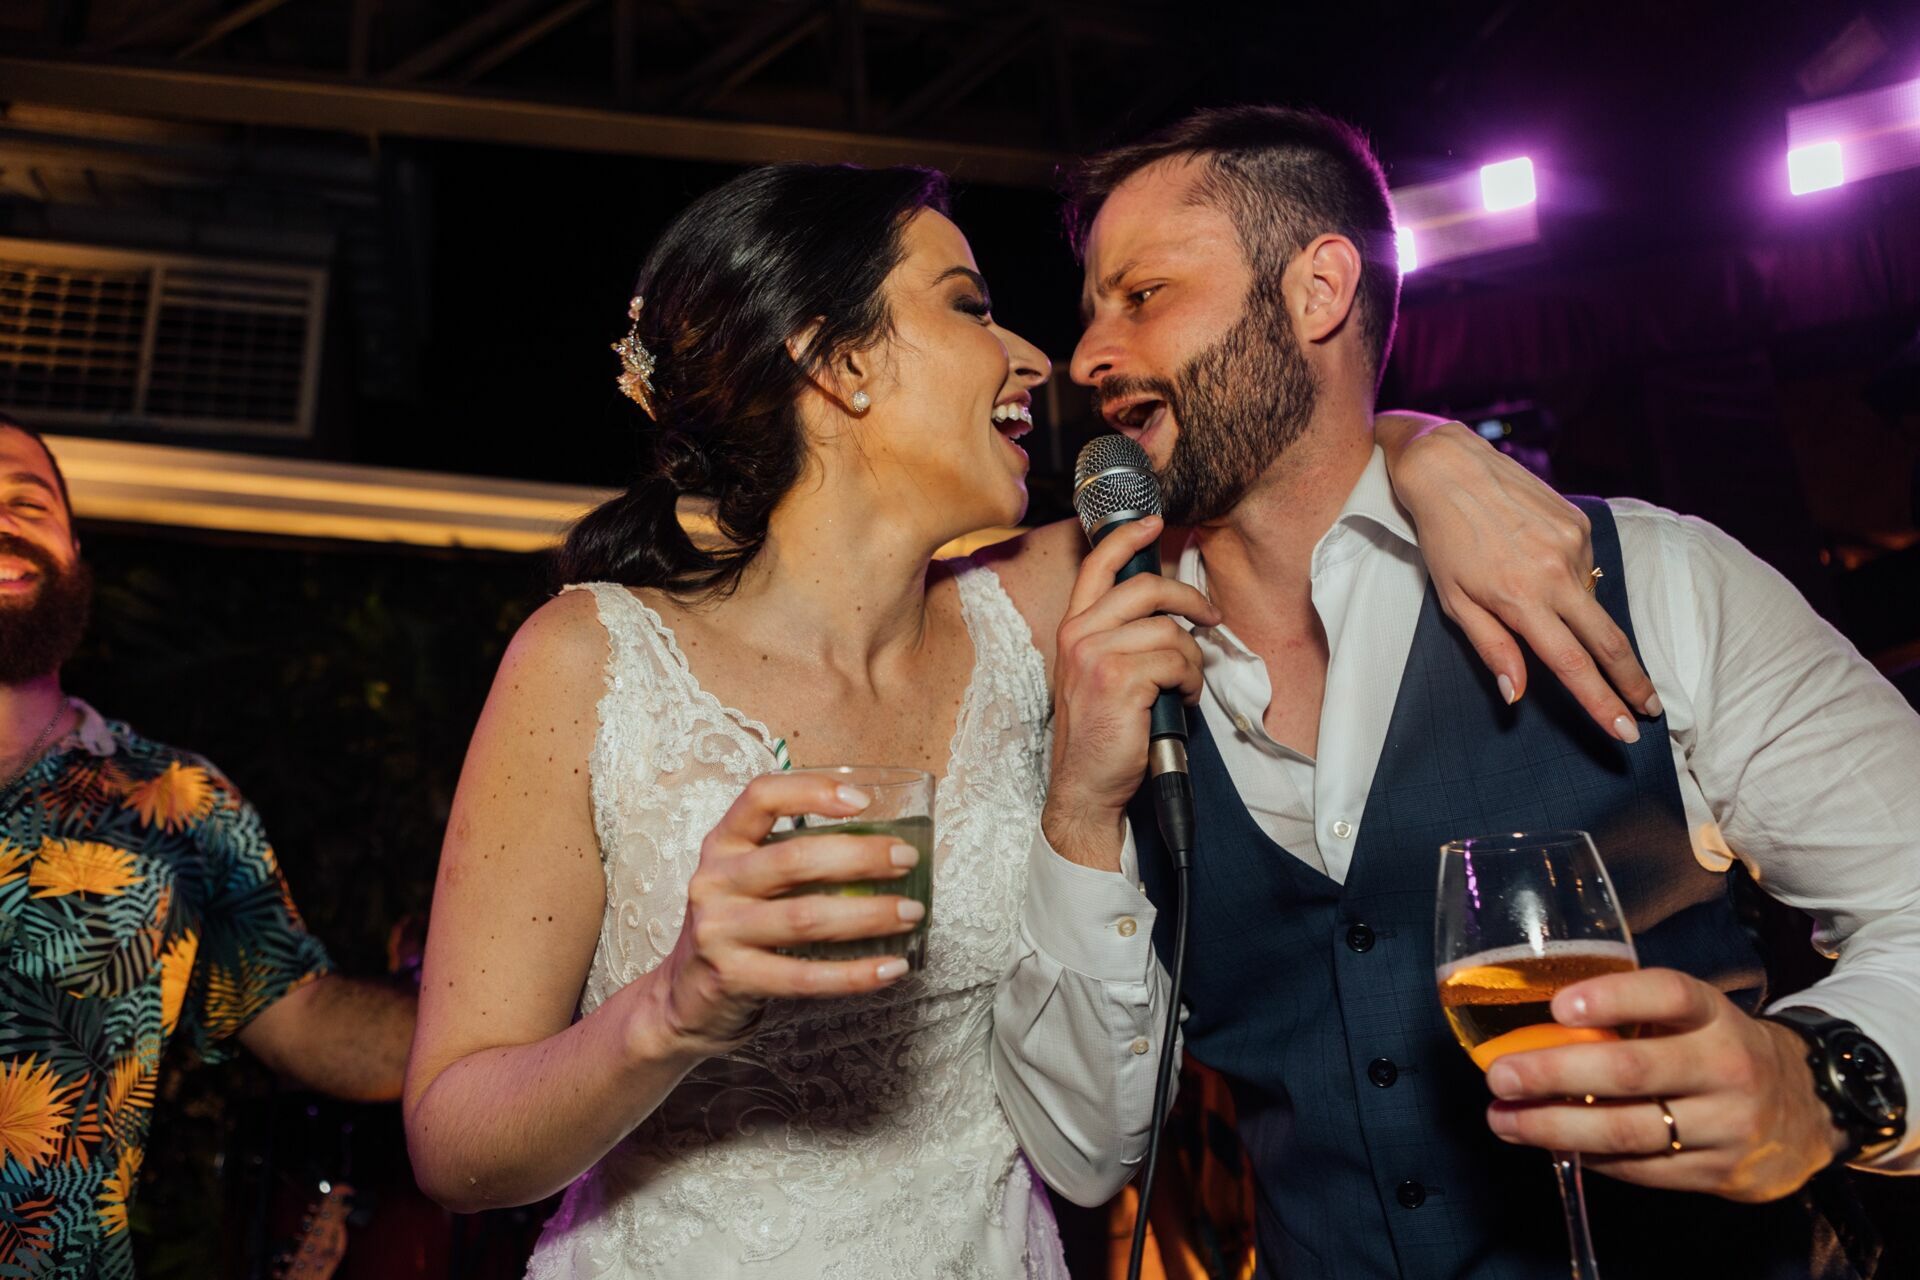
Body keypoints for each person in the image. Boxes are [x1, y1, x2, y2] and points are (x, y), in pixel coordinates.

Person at [400, 162, 1655, 1279]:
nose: (1037, 358)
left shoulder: (1048, 601)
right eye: (967, 305)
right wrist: (669, 1008)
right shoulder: (589, 660)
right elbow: (454, 1143)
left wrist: (1429, 449)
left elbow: (1277, 452)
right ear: (837, 363)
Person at [992, 105, 1919, 1279]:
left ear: (1317, 289)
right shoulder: (1102, 676)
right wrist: (1079, 808)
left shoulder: (1655, 578)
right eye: (1091, 311)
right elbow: (1082, 1153)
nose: (1087, 357)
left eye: (1141, 295)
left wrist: (1820, 1077)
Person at [0, 414, 417, 1277]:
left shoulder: (177, 802)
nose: (2, 523)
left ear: (73, 549)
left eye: (27, 502)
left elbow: (307, 1020)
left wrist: (520, 1015)